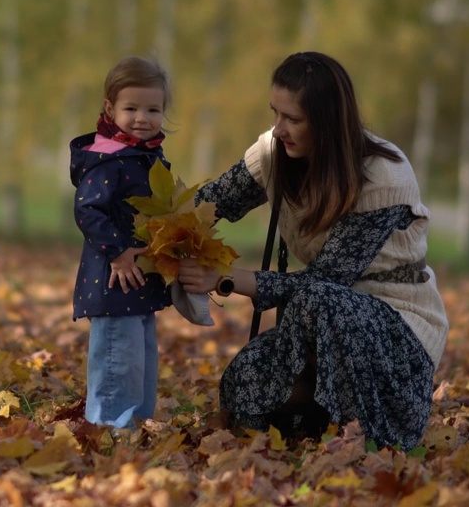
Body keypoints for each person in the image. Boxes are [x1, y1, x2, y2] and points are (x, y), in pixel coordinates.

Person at [175, 51, 448, 448]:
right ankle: (320, 424)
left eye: (293, 119)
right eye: (275, 113)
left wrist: (226, 279)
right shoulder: (275, 153)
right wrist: (145, 241)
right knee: (244, 383)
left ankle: (371, 440)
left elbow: (326, 282)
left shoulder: (383, 176)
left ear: (327, 122)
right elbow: (208, 205)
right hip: (316, 321)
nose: (278, 128)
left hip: (397, 331)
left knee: (321, 299)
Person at [69, 55, 208, 428]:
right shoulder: (108, 160)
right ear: (109, 108)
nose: (142, 118)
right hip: (114, 279)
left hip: (141, 278)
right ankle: (111, 429)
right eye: (131, 108)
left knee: (140, 359)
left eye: (153, 109)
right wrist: (117, 253)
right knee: (118, 357)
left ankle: (136, 424)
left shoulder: (147, 156)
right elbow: (87, 211)